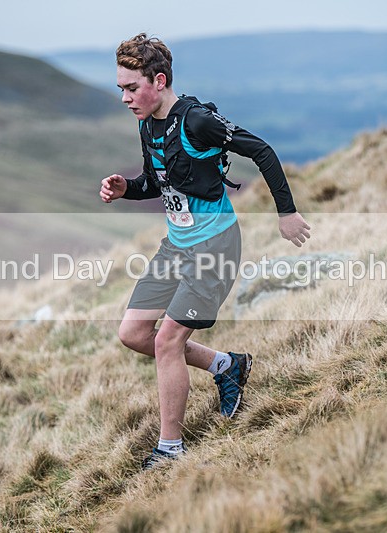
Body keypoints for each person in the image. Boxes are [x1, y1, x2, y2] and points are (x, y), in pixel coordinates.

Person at [100, 33, 311, 470]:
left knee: (167, 341)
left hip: (215, 247)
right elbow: (158, 182)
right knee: (133, 333)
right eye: (121, 88)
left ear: (159, 81)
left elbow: (262, 150)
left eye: (132, 88)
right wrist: (127, 189)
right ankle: (227, 366)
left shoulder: (197, 121)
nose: (125, 98)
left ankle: (170, 449)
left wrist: (286, 212)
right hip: (176, 246)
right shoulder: (147, 122)